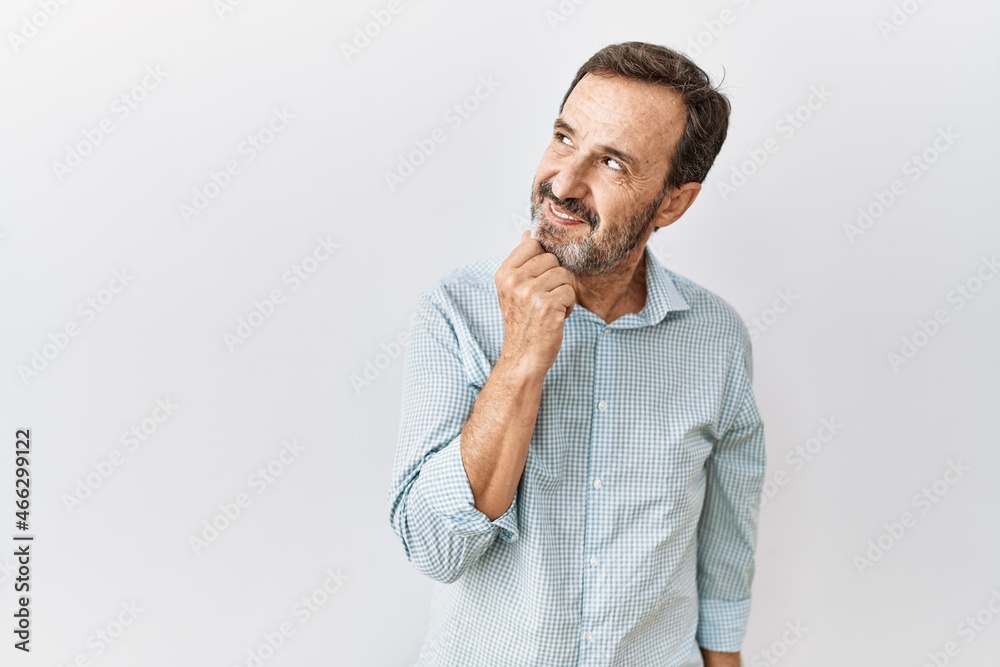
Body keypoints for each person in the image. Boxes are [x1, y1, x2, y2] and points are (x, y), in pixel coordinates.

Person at [387, 41, 766, 667]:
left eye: (612, 163)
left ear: (673, 202)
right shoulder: (453, 312)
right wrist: (521, 358)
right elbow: (434, 549)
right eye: (564, 138)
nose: (563, 184)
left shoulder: (717, 338)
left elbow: (725, 552)